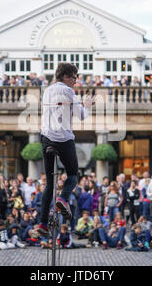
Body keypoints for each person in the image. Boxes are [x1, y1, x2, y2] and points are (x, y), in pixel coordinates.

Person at [39, 63, 94, 237]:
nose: (76, 81)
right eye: (74, 77)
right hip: (63, 139)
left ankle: (42, 224)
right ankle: (63, 198)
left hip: (46, 138)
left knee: (49, 183)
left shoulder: (47, 91)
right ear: (65, 77)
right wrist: (87, 104)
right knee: (73, 175)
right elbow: (82, 116)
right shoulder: (69, 92)